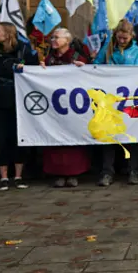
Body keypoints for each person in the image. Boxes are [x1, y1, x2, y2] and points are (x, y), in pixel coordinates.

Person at [0, 23, 38, 191]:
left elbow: (36, 72)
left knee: (18, 137)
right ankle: (4, 177)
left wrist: (26, 69)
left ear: (8, 34)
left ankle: (19, 175)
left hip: (19, 100)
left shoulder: (23, 51)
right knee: (0, 139)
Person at [94, 19, 138, 186]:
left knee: (131, 135)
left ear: (131, 36)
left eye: (125, 38)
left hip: (129, 100)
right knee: (109, 135)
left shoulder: (137, 51)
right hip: (109, 100)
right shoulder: (108, 48)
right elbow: (95, 66)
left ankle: (133, 170)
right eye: (120, 38)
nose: (122, 41)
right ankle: (107, 171)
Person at [38, 28, 91, 187]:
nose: (53, 39)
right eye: (52, 37)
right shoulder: (48, 59)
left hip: (73, 107)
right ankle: (58, 173)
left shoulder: (77, 57)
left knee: (73, 140)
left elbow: (90, 75)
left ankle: (74, 173)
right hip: (54, 107)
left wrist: (84, 67)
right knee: (56, 139)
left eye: (57, 37)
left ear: (67, 41)